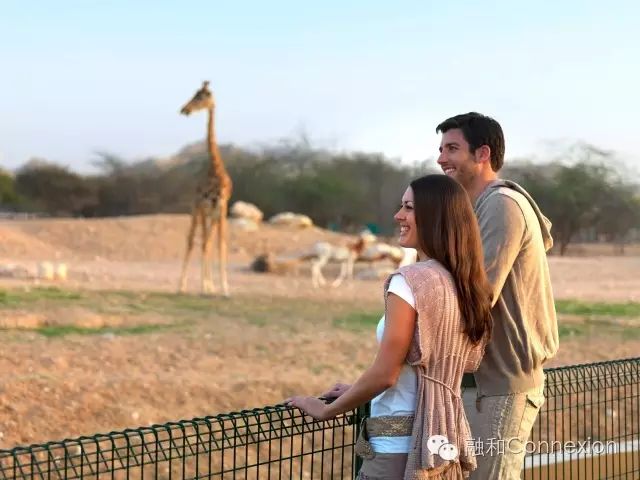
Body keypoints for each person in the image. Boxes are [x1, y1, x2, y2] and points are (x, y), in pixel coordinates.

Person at [286, 174, 493, 479]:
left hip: (396, 448)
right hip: (442, 439)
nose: (399, 216)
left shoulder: (409, 282)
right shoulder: (464, 284)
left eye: (409, 207)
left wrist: (326, 410)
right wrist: (356, 390)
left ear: (433, 216)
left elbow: (386, 374)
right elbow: (422, 370)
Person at [435, 112, 560, 479]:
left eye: (452, 148)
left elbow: (477, 295)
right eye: (441, 149)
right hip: (476, 384)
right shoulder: (473, 208)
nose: (442, 158)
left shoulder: (502, 204)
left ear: (482, 153)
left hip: (502, 384)